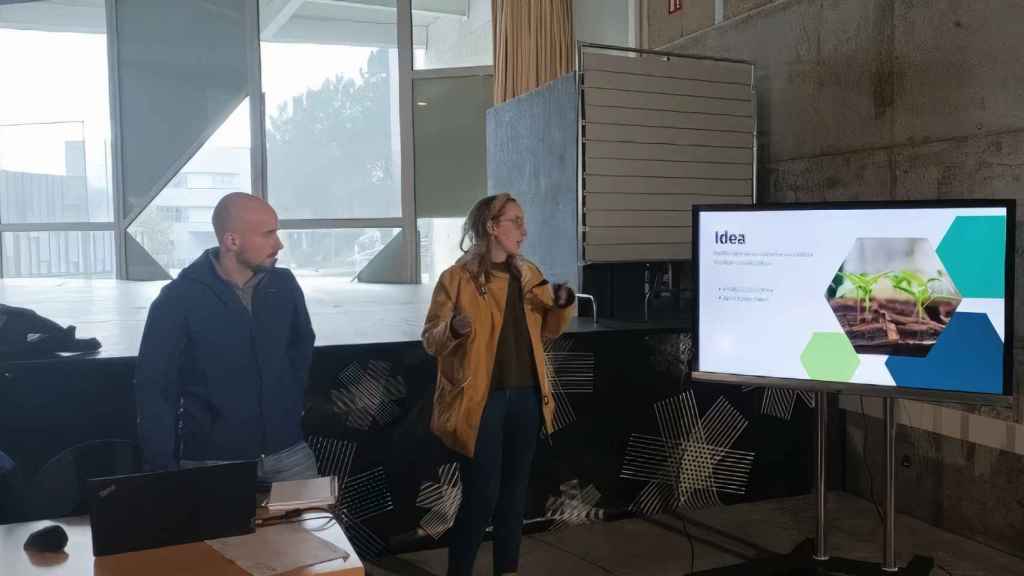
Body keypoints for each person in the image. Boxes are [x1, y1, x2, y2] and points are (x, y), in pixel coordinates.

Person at [422, 193, 575, 576]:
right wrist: (454, 328)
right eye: (516, 221)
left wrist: (561, 303)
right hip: (481, 403)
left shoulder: (529, 274)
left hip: (527, 399)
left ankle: (507, 570)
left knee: (514, 496)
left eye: (523, 222)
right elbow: (430, 340)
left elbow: (550, 331)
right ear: (492, 227)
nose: (524, 230)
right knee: (481, 496)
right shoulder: (456, 279)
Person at [135, 193, 318, 484]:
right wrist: (162, 469)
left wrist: (287, 407)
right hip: (212, 461)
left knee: (316, 516)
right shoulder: (177, 299)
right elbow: (156, 387)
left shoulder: (284, 285)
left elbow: (300, 348)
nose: (278, 244)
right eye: (268, 234)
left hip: (288, 453)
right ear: (232, 241)